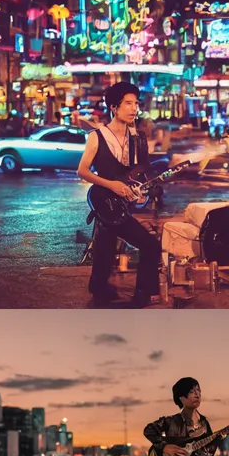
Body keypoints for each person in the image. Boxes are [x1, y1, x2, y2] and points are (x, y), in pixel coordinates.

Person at [76, 82, 162, 307]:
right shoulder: (98, 136)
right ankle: (143, 294)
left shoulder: (138, 138)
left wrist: (142, 191)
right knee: (150, 245)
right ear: (114, 107)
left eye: (136, 103)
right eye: (128, 104)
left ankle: (99, 288)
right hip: (104, 200)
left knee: (105, 243)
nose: (134, 108)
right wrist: (112, 185)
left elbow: (143, 170)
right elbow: (82, 171)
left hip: (123, 200)